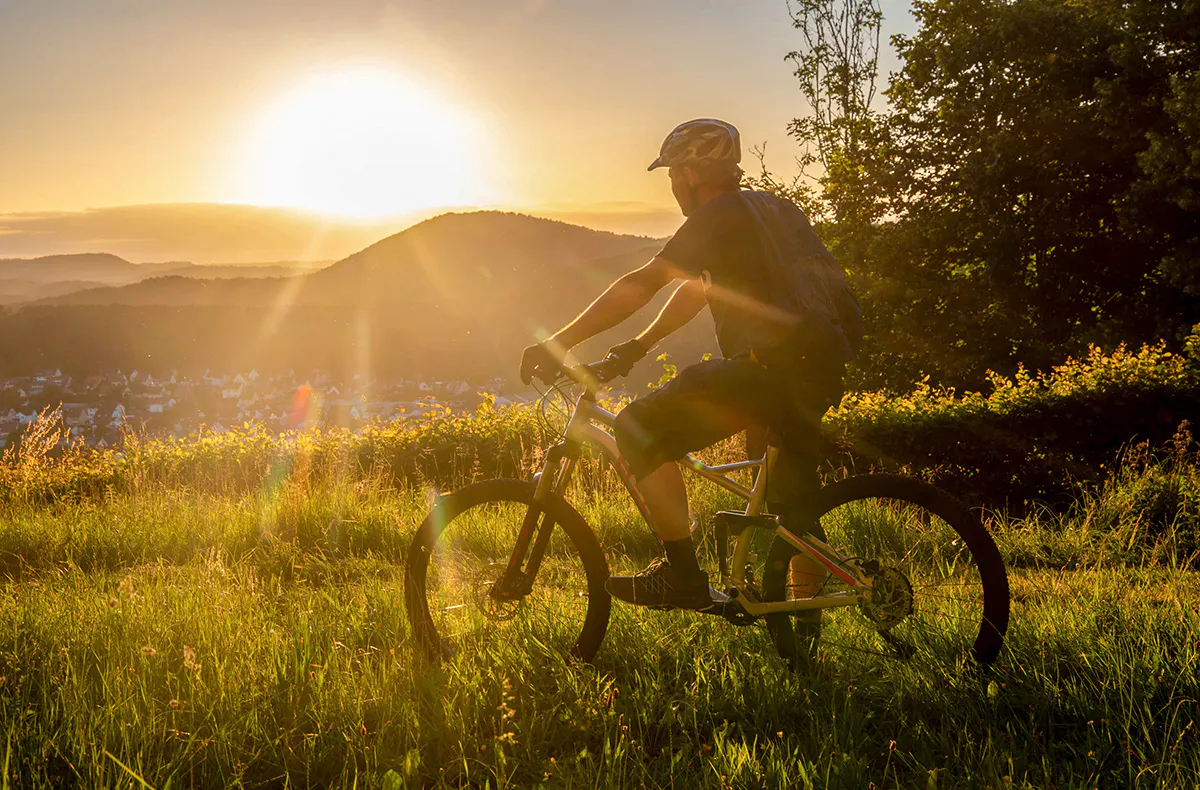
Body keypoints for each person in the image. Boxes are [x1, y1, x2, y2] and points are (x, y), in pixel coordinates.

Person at [520, 118, 861, 611]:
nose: (673, 187)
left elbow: (646, 282)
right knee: (794, 506)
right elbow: (700, 289)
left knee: (638, 427)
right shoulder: (773, 209)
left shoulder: (717, 215)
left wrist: (559, 341)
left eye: (673, 176)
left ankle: (682, 577)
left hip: (770, 368)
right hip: (821, 365)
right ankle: (803, 621)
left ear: (691, 174)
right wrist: (633, 349)